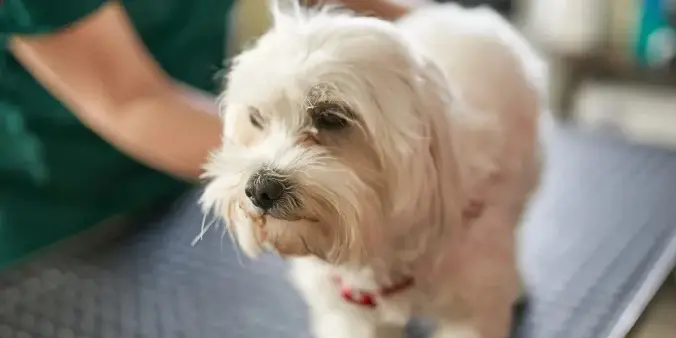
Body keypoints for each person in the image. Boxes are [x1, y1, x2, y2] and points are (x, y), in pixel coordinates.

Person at [0, 0, 413, 270]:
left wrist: (445, 32)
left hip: (186, 195)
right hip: (60, 228)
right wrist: (341, 185)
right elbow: (131, 102)